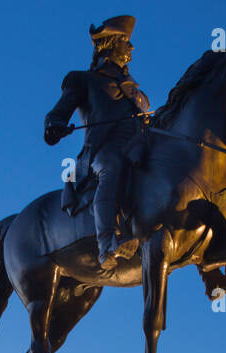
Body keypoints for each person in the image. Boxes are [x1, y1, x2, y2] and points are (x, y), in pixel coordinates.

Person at [44, 15, 151, 268]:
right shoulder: (84, 80)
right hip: (102, 152)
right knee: (112, 166)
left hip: (139, 147)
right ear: (111, 44)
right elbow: (57, 113)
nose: (132, 47)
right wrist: (54, 126)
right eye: (126, 41)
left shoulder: (137, 93)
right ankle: (108, 244)